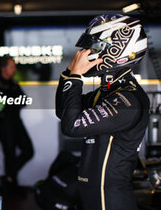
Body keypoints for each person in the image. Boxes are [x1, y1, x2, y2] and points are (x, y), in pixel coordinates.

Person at [55, 14, 149, 210]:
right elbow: (63, 111)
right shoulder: (108, 92)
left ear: (117, 49)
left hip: (110, 197)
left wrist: (76, 77)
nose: (85, 53)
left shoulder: (127, 99)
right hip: (93, 192)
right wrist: (69, 73)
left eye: (94, 47)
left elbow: (71, 126)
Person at [0, 56, 34, 193]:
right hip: (5, 124)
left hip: (16, 122)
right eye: (11, 66)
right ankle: (11, 185)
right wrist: (11, 101)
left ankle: (9, 177)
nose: (14, 69)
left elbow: (23, 101)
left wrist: (9, 101)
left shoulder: (13, 83)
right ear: (3, 68)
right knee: (10, 154)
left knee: (28, 150)